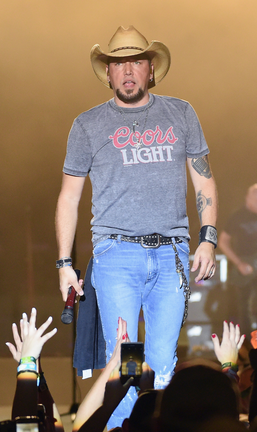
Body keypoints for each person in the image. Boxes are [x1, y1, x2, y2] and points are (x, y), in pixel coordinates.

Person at [54, 26, 218, 429]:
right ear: (107, 73)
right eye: (118, 63)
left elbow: (204, 180)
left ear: (151, 70)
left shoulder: (181, 113)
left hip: (173, 254)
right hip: (116, 253)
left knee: (162, 365)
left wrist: (208, 239)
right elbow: (68, 198)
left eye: (136, 62)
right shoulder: (88, 124)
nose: (128, 71)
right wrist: (63, 263)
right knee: (123, 360)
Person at [218, 184, 257, 334]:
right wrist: (239, 263)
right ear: (248, 199)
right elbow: (223, 242)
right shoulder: (237, 216)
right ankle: (246, 342)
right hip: (243, 264)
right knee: (243, 305)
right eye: (256, 200)